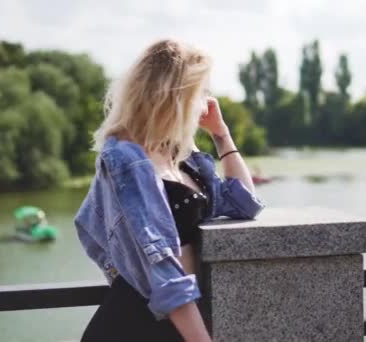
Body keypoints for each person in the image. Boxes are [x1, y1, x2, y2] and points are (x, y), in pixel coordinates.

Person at [73, 39, 266, 341]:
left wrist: (222, 135)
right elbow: (160, 265)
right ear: (179, 97)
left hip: (176, 322)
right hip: (138, 325)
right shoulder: (127, 159)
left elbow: (244, 204)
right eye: (201, 92)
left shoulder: (180, 156)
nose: (206, 102)